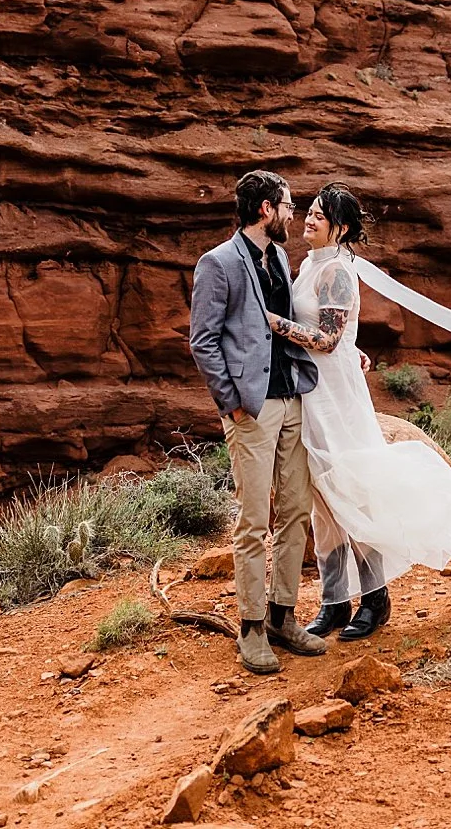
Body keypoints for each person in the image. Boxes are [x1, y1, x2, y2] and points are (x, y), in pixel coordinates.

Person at [266, 183, 451, 641]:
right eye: (308, 211)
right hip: (311, 391)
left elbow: (326, 341)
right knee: (322, 501)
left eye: (320, 216)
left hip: (336, 395)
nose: (308, 219)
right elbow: (333, 331)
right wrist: (353, 345)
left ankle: (375, 598)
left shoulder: (338, 273)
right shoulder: (310, 265)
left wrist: (271, 323)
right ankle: (333, 601)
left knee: (352, 490)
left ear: (340, 228)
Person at [186, 170, 330, 674]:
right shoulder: (219, 263)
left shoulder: (278, 259)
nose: (294, 214)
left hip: (293, 398)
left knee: (294, 512)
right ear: (267, 209)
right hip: (253, 408)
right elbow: (202, 340)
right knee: (254, 521)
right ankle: (249, 628)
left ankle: (282, 617)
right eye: (288, 206)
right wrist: (232, 402)